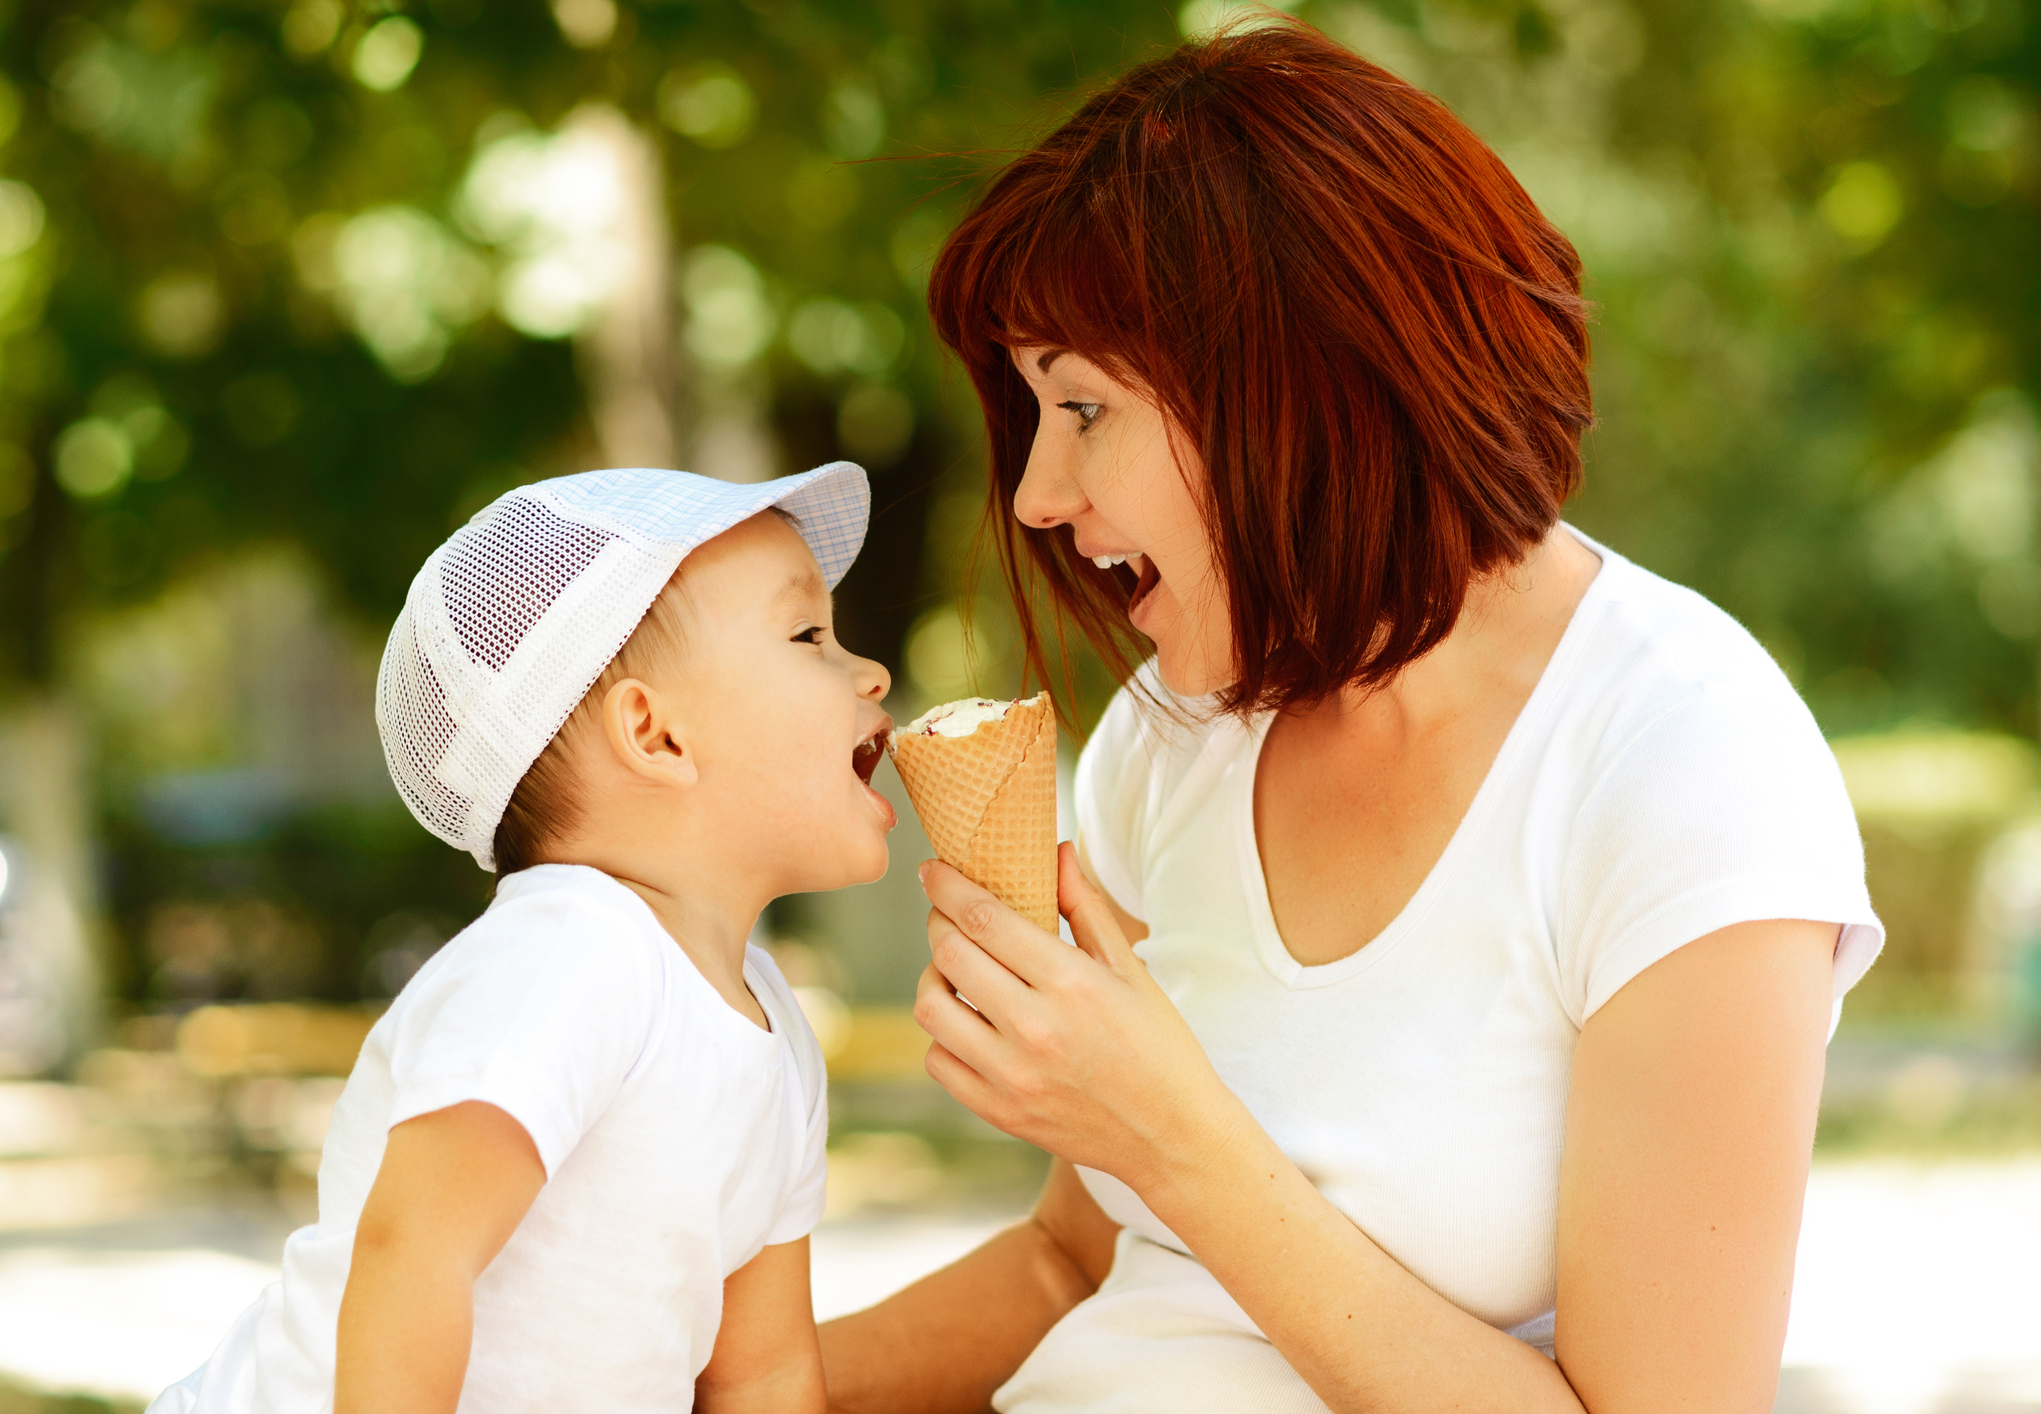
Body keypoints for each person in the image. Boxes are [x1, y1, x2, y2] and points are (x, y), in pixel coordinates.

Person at [819, 22, 1882, 1414]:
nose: (1033, 494)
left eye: (1081, 403)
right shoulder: (1172, 737)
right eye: (1031, 412)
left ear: (1297, 383)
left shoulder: (1678, 758)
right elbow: (1062, 1270)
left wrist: (1176, 1133)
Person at [149, 463, 898, 1414]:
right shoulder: (571, 954)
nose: (870, 670)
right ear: (655, 734)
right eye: (808, 636)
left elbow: (762, 1371)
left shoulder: (776, 1028)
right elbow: (413, 1254)